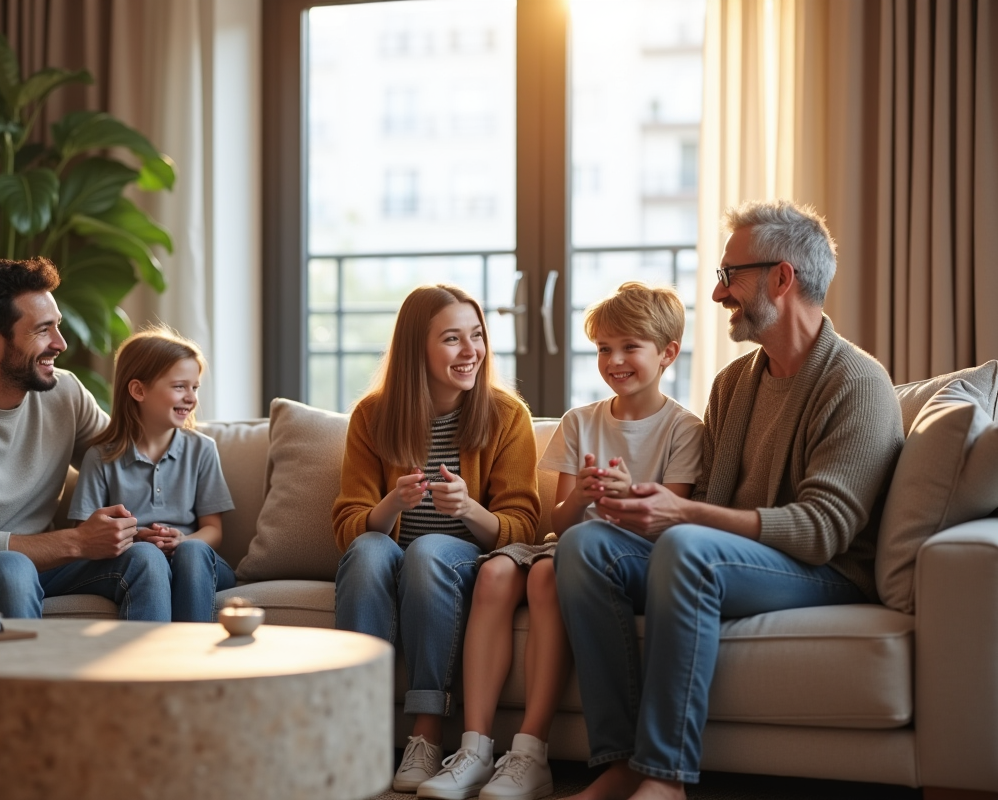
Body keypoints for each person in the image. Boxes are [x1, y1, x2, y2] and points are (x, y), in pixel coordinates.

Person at [555, 200, 905, 800]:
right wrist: (637, 504)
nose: (718, 295)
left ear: (782, 277)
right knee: (587, 545)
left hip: (822, 571)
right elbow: (708, 498)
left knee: (690, 547)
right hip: (730, 557)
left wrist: (682, 515)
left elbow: (823, 532)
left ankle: (665, 778)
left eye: (729, 275)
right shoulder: (734, 383)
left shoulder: (857, 382)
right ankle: (622, 761)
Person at [418, 283, 702, 800]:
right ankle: (475, 747)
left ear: (668, 353)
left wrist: (625, 497)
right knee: (497, 569)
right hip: (568, 541)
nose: (614, 360)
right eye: (602, 348)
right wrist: (585, 497)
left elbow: (670, 521)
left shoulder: (685, 429)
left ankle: (530, 752)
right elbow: (562, 522)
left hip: (632, 555)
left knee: (548, 573)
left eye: (629, 347)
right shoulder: (580, 421)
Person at [332, 284, 541, 794]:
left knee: (426, 552)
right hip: (388, 554)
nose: (471, 352)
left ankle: (425, 734)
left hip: (459, 559)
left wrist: (469, 509)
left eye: (477, 336)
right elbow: (348, 525)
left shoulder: (507, 416)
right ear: (416, 349)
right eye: (453, 339)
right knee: (365, 550)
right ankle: (357, 727)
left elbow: (523, 526)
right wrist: (392, 505)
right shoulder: (372, 416)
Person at [0, 257, 173, 620]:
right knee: (11, 569)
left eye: (58, 326)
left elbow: (121, 459)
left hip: (39, 563)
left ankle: (146, 677)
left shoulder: (64, 392)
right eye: (42, 330)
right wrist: (79, 541)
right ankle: (32, 678)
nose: (61, 343)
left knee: (143, 559)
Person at [67, 327, 236, 622]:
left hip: (194, 562)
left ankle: (191, 655)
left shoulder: (203, 450)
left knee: (193, 553)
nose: (191, 398)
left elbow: (214, 530)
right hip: (132, 562)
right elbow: (86, 534)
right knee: (147, 557)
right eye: (180, 387)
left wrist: (183, 540)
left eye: (195, 387)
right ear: (138, 390)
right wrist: (133, 540)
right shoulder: (101, 457)